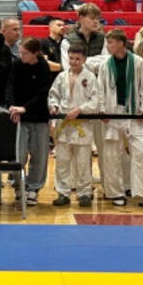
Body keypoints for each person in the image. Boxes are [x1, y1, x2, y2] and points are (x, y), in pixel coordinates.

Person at [97, 29, 143, 208]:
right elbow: (101, 89)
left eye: (111, 43)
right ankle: (116, 192)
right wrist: (101, 110)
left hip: (133, 112)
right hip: (112, 113)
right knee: (112, 155)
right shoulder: (105, 64)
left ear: (121, 43)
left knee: (140, 152)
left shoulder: (138, 62)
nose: (108, 46)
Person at [48, 43, 97, 207]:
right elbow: (53, 94)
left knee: (83, 162)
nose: (74, 61)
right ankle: (63, 193)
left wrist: (80, 109)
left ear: (84, 59)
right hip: (64, 124)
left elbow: (96, 101)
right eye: (71, 58)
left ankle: (84, 193)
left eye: (77, 59)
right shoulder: (61, 76)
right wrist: (53, 106)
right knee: (62, 161)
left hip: (82, 124)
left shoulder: (90, 77)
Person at [5, 38, 53, 205]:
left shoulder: (44, 68)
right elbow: (9, 86)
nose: (21, 56)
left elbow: (42, 94)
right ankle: (18, 185)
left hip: (38, 117)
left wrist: (25, 108)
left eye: (25, 53)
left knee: (39, 155)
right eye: (20, 52)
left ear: (35, 53)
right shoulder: (17, 65)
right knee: (18, 154)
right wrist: (11, 106)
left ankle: (33, 188)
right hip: (19, 117)